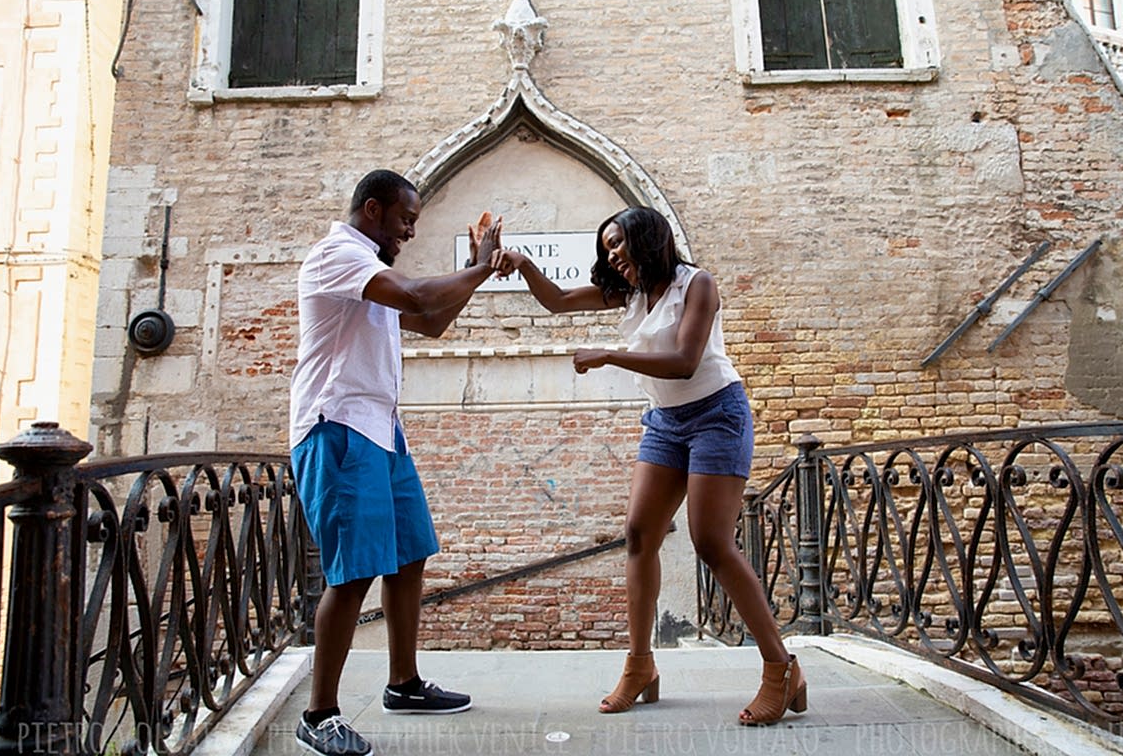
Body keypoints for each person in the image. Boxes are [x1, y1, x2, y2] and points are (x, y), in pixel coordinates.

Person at [491, 206, 806, 725]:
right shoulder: (633, 293)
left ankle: (781, 668)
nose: (612, 257)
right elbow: (560, 301)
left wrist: (612, 355)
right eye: (607, 248)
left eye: (618, 245)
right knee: (639, 534)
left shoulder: (696, 285)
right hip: (666, 421)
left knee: (711, 542)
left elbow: (685, 362)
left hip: (715, 415)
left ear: (647, 240)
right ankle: (640, 666)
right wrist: (523, 264)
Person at [289, 169, 503, 756]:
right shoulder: (337, 255)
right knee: (353, 572)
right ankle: (319, 714)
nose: (410, 231)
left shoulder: (371, 273)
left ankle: (403, 684)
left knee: (409, 557)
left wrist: (479, 275)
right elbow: (415, 296)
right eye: (407, 219)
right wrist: (480, 267)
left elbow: (430, 321)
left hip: (381, 430)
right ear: (374, 209)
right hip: (336, 429)